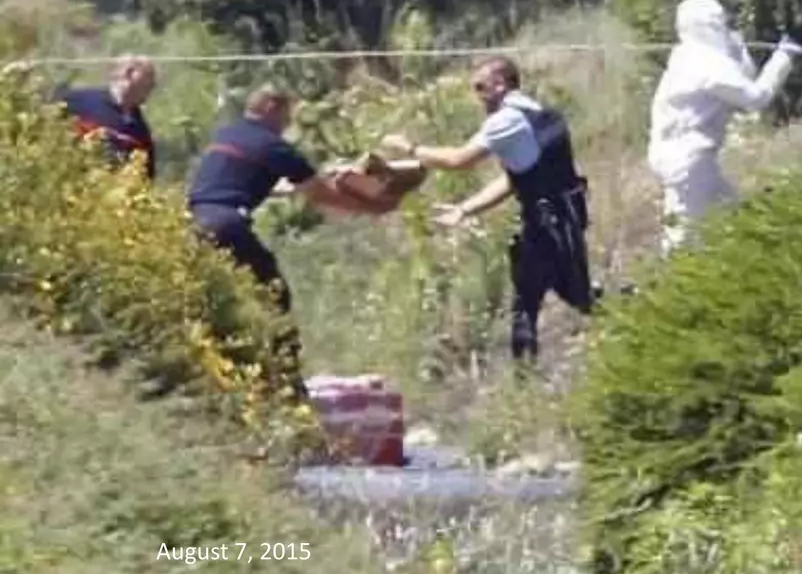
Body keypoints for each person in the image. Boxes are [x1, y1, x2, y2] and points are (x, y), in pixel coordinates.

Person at [381, 57, 595, 367]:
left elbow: (458, 160)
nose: (477, 95)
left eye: (480, 87)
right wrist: (465, 210)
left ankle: (526, 379)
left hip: (548, 222)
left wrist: (409, 148)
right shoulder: (536, 113)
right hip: (559, 219)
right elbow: (514, 180)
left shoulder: (506, 121)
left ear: (500, 84)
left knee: (550, 299)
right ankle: (525, 376)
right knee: (541, 297)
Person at [187, 86, 364, 383]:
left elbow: (240, 176)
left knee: (211, 300)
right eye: (286, 114)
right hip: (227, 222)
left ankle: (213, 369)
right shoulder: (273, 146)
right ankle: (285, 375)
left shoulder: (228, 134)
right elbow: (319, 194)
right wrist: (367, 205)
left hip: (192, 221)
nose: (287, 123)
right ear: (271, 107)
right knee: (274, 295)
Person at [646, 0, 802, 254]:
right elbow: (755, 98)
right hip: (689, 161)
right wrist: (784, 57)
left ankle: (740, 268)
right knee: (681, 238)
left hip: (678, 155)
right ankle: (667, 288)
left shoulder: (686, 55)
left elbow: (742, 79)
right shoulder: (708, 64)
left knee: (734, 215)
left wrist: (738, 51)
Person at [53, 55, 158, 180]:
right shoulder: (81, 102)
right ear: (129, 74)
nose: (152, 86)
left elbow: (146, 174)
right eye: (148, 80)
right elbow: (48, 121)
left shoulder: (140, 128)